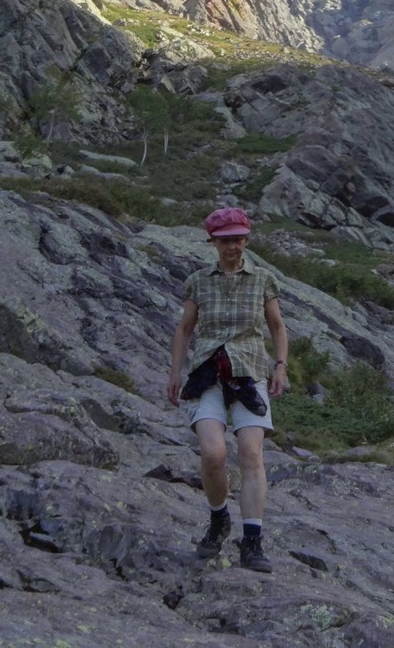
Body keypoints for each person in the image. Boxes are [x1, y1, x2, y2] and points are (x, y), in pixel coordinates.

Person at [168, 207, 289, 572]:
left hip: (249, 374)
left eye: (238, 239)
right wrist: (175, 373)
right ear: (213, 243)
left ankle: (252, 541)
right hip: (207, 374)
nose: (232, 247)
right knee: (213, 453)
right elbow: (185, 329)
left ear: (247, 240)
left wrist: (280, 366)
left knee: (251, 453)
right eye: (225, 241)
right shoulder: (198, 282)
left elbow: (277, 326)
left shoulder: (263, 279)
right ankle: (219, 517)